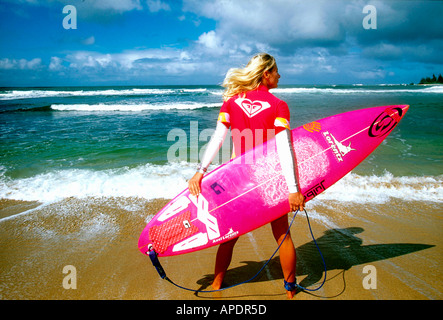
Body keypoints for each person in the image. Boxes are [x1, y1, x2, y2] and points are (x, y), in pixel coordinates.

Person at [188, 53, 305, 299]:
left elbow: (217, 139)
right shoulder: (278, 105)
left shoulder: (231, 102)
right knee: (282, 234)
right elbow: (285, 148)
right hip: (268, 177)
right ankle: (290, 290)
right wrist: (293, 189)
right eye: (276, 71)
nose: (279, 75)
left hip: (237, 178)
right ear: (266, 74)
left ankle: (217, 285)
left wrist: (200, 172)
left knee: (230, 235)